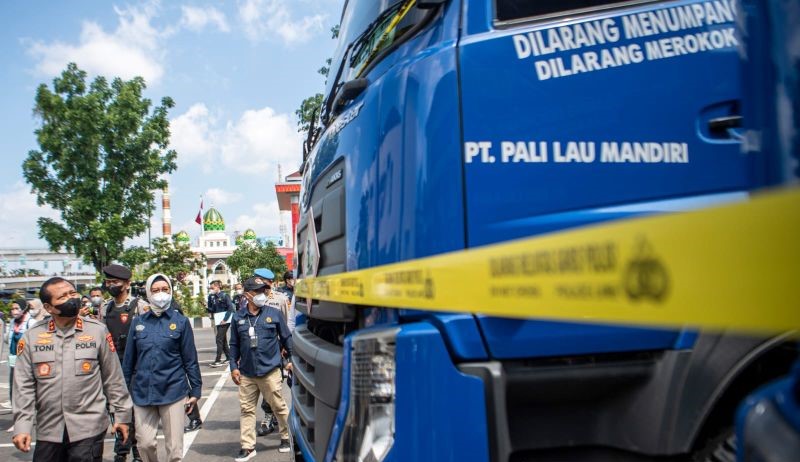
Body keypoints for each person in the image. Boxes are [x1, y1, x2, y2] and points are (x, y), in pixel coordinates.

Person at [12, 277, 132, 462]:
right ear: (49, 307)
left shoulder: (97, 331)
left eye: (73, 293)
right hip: (49, 430)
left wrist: (122, 416)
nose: (71, 298)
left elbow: (113, 378)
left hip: (88, 428)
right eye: (63, 296)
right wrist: (22, 426)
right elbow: (23, 386)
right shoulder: (32, 337)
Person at [122, 273, 202, 462]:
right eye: (155, 290)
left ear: (171, 291)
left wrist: (196, 390)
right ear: (148, 293)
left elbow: (190, 359)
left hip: (173, 390)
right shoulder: (138, 323)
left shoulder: (180, 322)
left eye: (165, 289)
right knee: (145, 444)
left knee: (174, 449)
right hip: (143, 393)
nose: (161, 294)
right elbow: (128, 361)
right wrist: (122, 394)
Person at [230, 277, 293, 460]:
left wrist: (291, 360)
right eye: (257, 291)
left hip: (270, 370)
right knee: (247, 410)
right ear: (247, 295)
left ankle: (286, 436)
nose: (262, 294)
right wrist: (233, 367)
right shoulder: (238, 317)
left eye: (263, 291)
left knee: (278, 406)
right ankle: (248, 446)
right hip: (247, 373)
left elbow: (286, 338)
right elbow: (234, 345)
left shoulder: (274, 314)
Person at [102, 264, 146, 462]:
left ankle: (134, 452)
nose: (111, 285)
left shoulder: (140, 307)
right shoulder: (105, 308)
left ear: (127, 284)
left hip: (136, 367)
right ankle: (123, 451)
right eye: (108, 282)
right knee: (116, 409)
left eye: (115, 282)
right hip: (113, 367)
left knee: (135, 411)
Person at [3, 300, 34, 426]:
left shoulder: (31, 322)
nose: (13, 311)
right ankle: (17, 419)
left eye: (16, 308)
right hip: (13, 361)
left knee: (25, 390)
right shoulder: (12, 322)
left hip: (27, 362)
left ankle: (27, 419)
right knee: (13, 390)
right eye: (12, 308)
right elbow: (7, 339)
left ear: (23, 308)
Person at [207, 280, 234, 367]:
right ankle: (229, 357)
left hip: (225, 321)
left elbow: (230, 308)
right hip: (218, 320)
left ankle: (218, 360)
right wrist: (206, 307)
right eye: (210, 288)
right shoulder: (214, 297)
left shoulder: (225, 295)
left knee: (219, 339)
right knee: (223, 339)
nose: (211, 289)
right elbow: (213, 310)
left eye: (212, 287)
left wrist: (225, 319)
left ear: (217, 287)